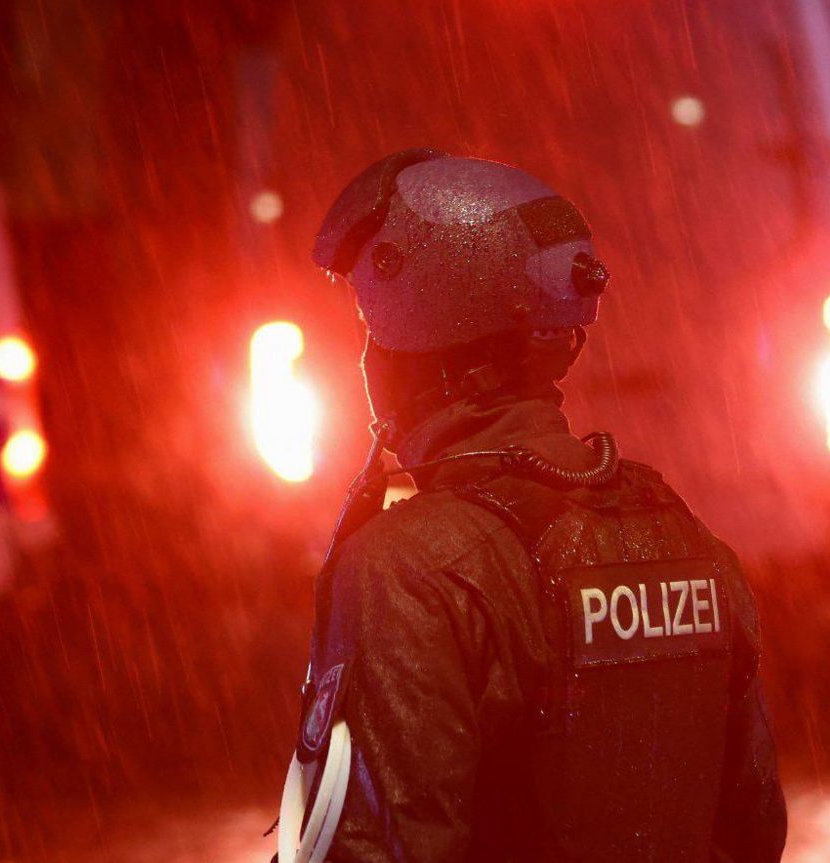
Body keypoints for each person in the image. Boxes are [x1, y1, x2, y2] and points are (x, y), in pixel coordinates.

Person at [275, 149, 786, 863]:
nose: (365, 357)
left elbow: (384, 845)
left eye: (372, 331)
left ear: (420, 341)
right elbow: (753, 828)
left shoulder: (410, 568)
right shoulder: (687, 538)